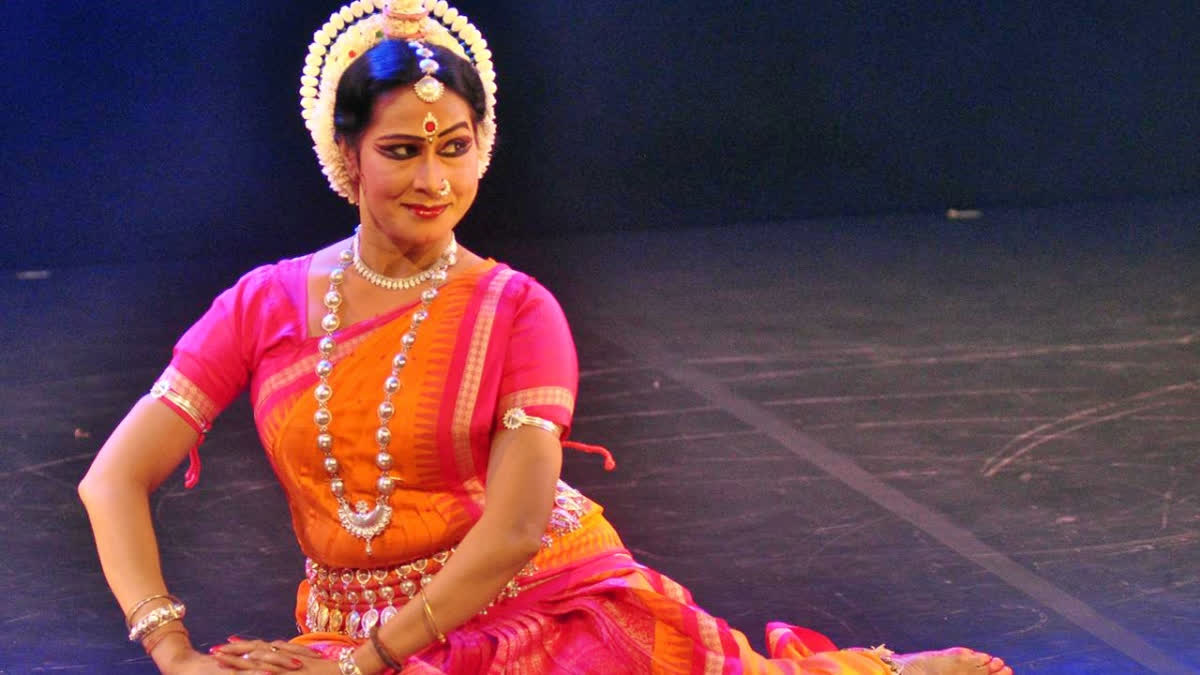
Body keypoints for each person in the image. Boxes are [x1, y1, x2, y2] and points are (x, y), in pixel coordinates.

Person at [78, 2, 1013, 674]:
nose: (432, 179)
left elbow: (519, 525)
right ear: (345, 155)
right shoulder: (265, 302)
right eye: (402, 150)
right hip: (346, 631)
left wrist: (365, 663)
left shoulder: (516, 310)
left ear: (484, 148)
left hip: (529, 614)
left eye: (456, 147)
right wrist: (172, 649)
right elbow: (111, 477)